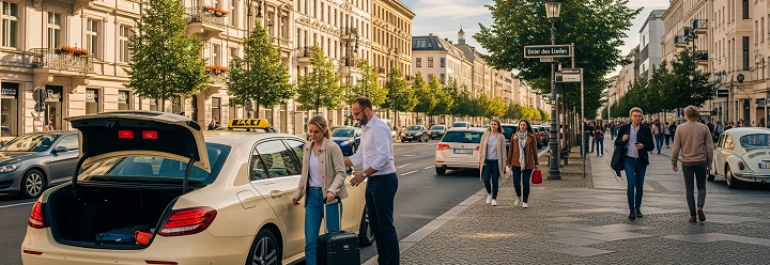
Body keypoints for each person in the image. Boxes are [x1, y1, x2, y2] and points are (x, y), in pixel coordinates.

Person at [345, 97, 399, 265]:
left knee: (386, 227)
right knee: (375, 226)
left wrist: (363, 174)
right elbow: (359, 156)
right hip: (374, 181)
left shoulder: (379, 128)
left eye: (356, 114)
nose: (355, 118)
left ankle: (392, 262)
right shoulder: (366, 129)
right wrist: (337, 161)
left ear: (367, 110)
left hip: (384, 181)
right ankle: (383, 261)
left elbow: (384, 157)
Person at [291, 115, 348, 265]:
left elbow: (341, 173)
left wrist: (332, 191)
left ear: (324, 131)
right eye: (310, 131)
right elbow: (305, 174)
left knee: (333, 240)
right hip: (311, 198)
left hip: (330, 199)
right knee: (310, 241)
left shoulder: (332, 147)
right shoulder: (307, 147)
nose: (312, 134)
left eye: (316, 131)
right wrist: (298, 194)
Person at [671, 106, 713, 223]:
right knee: (702, 187)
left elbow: (676, 148)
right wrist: (709, 162)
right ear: (697, 115)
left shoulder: (680, 128)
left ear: (686, 115)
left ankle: (693, 215)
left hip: (687, 162)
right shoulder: (704, 128)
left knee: (689, 189)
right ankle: (700, 206)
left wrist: (674, 162)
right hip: (701, 161)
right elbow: (709, 147)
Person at [615, 107, 655, 220]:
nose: (637, 118)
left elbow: (651, 146)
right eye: (635, 116)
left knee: (639, 185)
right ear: (631, 116)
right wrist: (622, 139)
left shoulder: (645, 129)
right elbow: (617, 142)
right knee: (631, 184)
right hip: (628, 159)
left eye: (639, 116)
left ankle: (638, 208)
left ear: (642, 117)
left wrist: (643, 146)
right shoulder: (624, 128)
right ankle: (631, 210)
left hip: (641, 160)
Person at [506, 120, 539, 208]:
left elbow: (535, 151)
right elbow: (511, 150)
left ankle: (525, 201)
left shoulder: (531, 137)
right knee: (516, 181)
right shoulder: (514, 136)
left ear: (527, 126)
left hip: (528, 163)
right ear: (519, 126)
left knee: (525, 182)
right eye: (521, 124)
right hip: (516, 162)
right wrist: (508, 162)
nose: (522, 126)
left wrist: (536, 163)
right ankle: (518, 196)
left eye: (524, 125)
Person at [478, 119, 507, 206]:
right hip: (487, 161)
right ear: (489, 125)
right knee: (486, 179)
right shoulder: (485, 136)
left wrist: (504, 164)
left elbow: (504, 151)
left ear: (498, 126)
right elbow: (481, 149)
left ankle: (494, 198)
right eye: (492, 124)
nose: (493, 126)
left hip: (496, 162)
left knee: (495, 180)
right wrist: (479, 161)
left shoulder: (501, 137)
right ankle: (489, 194)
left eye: (495, 124)